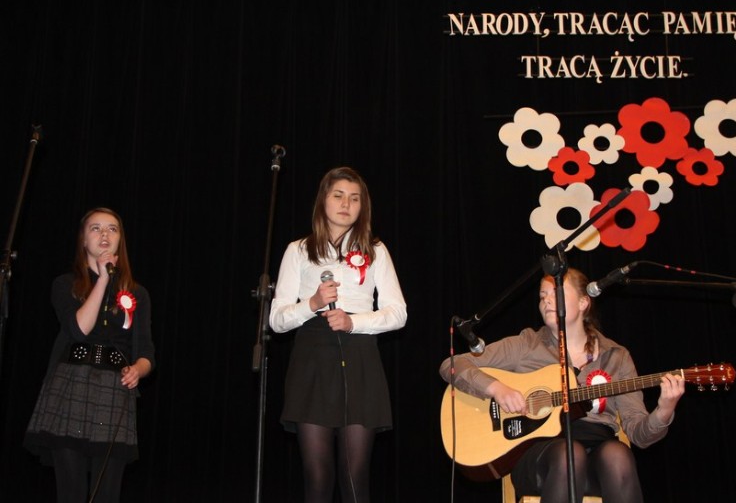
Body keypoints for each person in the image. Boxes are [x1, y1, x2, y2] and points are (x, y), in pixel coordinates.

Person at [439, 268, 685, 503]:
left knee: (618, 455)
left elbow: (640, 436)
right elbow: (452, 364)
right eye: (542, 296)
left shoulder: (616, 356)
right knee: (570, 455)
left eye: (555, 293)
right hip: (540, 457)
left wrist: (664, 410)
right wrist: (497, 389)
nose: (546, 301)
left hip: (597, 455)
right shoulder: (527, 344)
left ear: (583, 302)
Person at [269, 166, 407, 503]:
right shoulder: (298, 250)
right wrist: (312, 304)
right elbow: (277, 320)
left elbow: (398, 313)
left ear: (363, 206)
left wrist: (353, 322)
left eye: (354, 198)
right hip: (312, 359)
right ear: (323, 201)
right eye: (338, 195)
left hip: (359, 357)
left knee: (354, 475)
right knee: (317, 476)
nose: (346, 204)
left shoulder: (376, 250)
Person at [24, 207, 155, 503]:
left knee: (106, 493)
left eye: (112, 229)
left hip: (114, 390)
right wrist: (103, 280)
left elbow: (146, 352)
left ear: (120, 240)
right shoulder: (65, 284)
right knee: (70, 492)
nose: (104, 234)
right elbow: (79, 329)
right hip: (71, 384)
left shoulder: (138, 294)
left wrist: (139, 368)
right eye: (96, 228)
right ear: (83, 240)